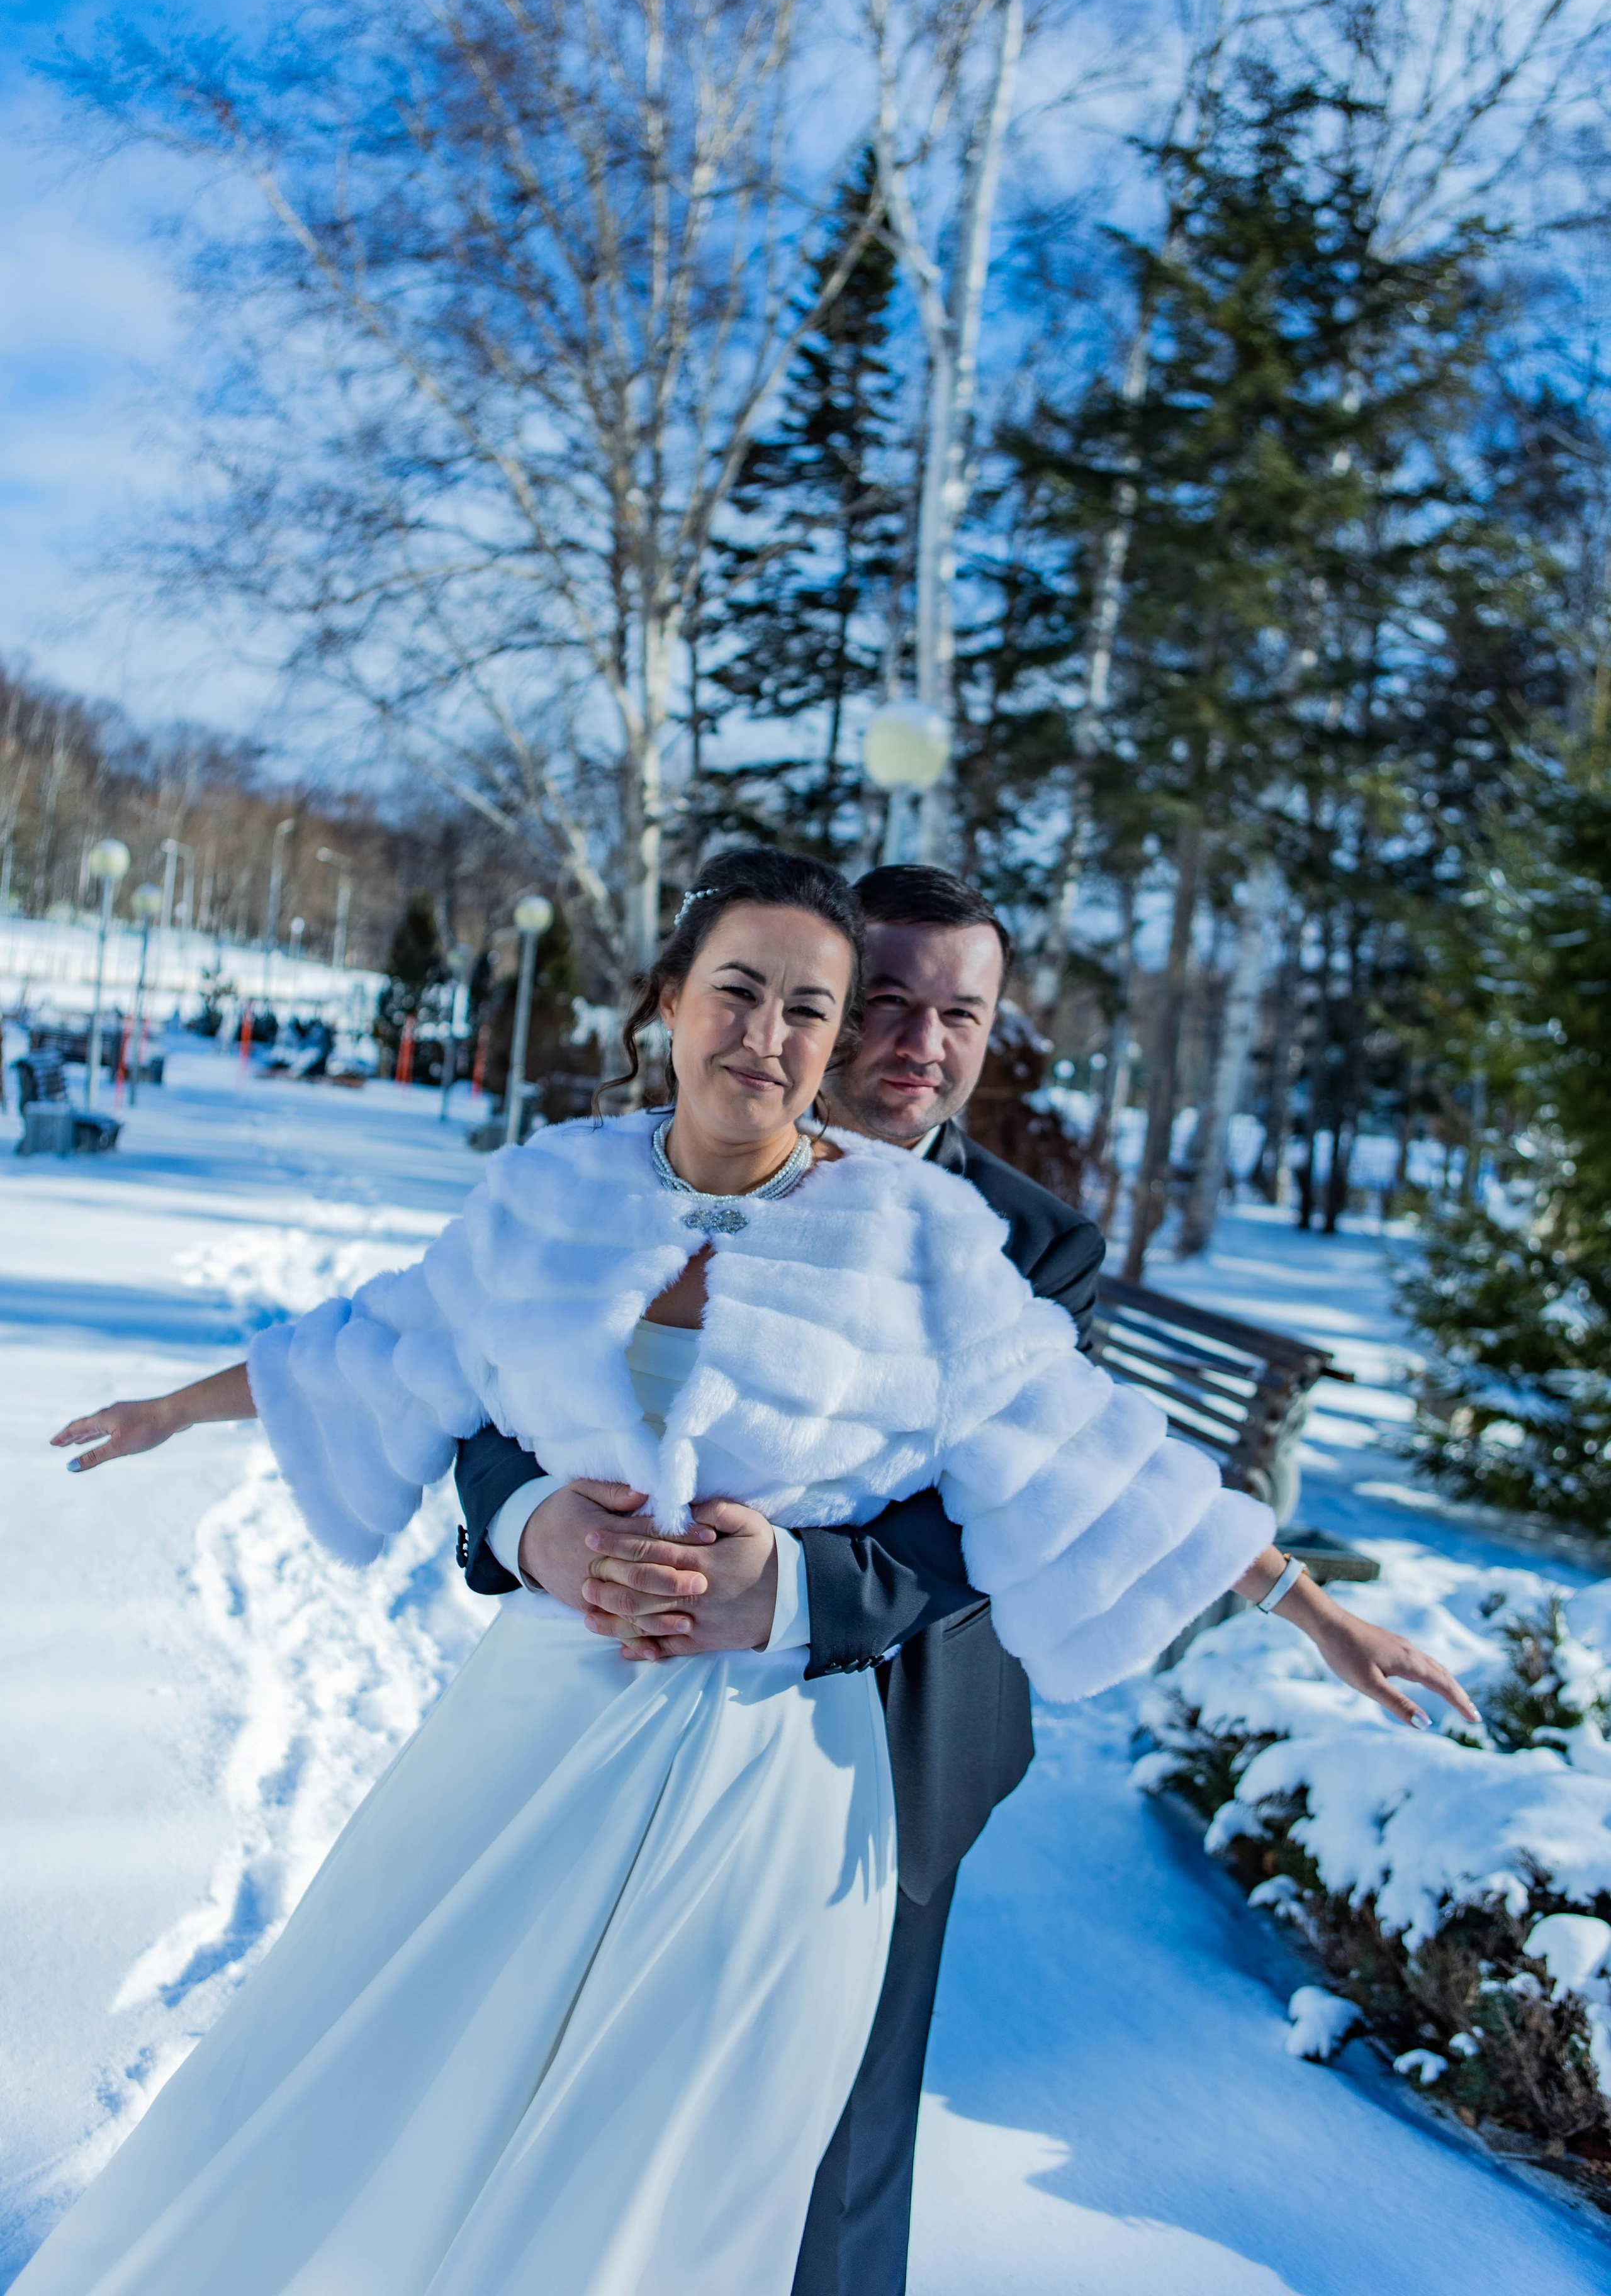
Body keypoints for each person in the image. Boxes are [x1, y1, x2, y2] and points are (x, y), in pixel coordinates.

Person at [33, 849, 1478, 2296]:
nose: (768, 1035)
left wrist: (1306, 1606)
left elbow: (1078, 1456)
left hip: (773, 1754)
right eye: (736, 991)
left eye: (807, 1008)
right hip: (540, 1719)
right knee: (408, 2048)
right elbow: (396, 1335)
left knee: (662, 2148)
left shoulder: (920, 1244)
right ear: (665, 1000)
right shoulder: (556, 1191)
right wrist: (180, 1409)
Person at [454, 863, 1111, 2296]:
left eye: (962, 1016)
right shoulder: (635, 1176)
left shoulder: (1033, 1244)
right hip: (605, 1715)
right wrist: (530, 1524)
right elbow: (487, 1398)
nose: (916, 1045)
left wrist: (795, 1588)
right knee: (542, 2075)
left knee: (830, 2136)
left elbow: (999, 1505)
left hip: (882, 1739)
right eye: (880, 1001)